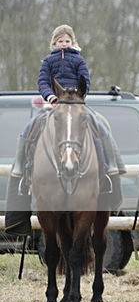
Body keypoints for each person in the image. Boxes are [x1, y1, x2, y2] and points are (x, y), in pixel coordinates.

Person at [4, 24, 125, 236]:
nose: (64, 43)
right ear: (54, 43)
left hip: (76, 103)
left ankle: (110, 170)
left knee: (100, 126)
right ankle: (21, 174)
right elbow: (42, 81)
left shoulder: (79, 60)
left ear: (73, 42)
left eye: (67, 40)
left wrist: (78, 96)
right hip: (55, 103)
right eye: (60, 41)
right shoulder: (48, 61)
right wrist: (50, 96)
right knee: (29, 129)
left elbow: (85, 80)